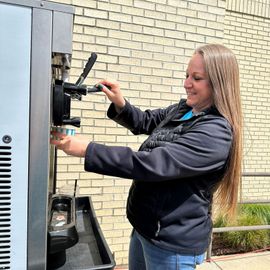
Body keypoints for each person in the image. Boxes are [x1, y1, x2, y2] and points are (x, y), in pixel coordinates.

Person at [51, 44, 242, 270]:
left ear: (219, 83)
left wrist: (87, 149)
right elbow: (146, 121)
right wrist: (119, 103)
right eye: (187, 75)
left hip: (171, 243)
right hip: (145, 228)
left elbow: (153, 164)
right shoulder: (185, 109)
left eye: (197, 78)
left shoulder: (215, 132)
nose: (186, 83)